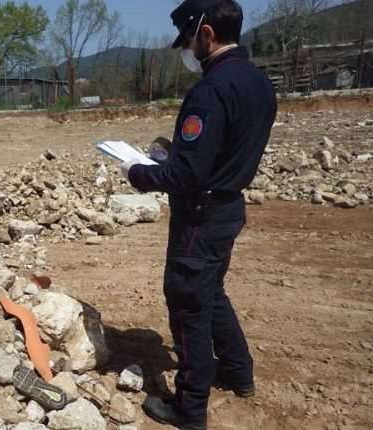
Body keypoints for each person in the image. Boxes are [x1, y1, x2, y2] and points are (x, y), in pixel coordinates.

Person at [119, 1, 277, 429]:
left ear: (206, 34)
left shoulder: (210, 90)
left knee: (188, 300)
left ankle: (189, 410)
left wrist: (138, 172)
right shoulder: (259, 82)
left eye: (189, 39)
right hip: (228, 208)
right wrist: (174, 153)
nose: (188, 49)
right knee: (212, 292)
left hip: (200, 218)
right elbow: (221, 151)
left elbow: (188, 174)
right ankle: (238, 371)